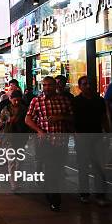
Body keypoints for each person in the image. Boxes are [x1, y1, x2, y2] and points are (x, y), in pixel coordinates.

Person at [25, 76, 74, 211]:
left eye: (50, 85)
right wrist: (39, 130)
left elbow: (71, 117)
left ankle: (51, 193)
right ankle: (54, 199)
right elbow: (28, 119)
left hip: (61, 141)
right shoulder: (37, 101)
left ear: (55, 86)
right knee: (51, 169)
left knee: (58, 169)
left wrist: (61, 117)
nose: (47, 88)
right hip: (46, 142)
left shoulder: (63, 100)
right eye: (45, 85)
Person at [73, 76, 110, 206]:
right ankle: (84, 194)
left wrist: (108, 133)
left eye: (90, 83)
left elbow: (104, 117)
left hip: (97, 136)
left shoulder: (99, 100)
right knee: (83, 166)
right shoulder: (76, 101)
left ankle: (100, 195)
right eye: (84, 84)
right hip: (82, 137)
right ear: (80, 86)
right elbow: (73, 119)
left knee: (99, 166)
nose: (88, 86)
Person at [0, 90, 29, 191]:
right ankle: (14, 184)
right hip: (8, 138)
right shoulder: (5, 110)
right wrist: (8, 121)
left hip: (21, 137)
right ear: (10, 99)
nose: (17, 102)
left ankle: (16, 180)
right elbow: (0, 124)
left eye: (18, 100)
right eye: (15, 100)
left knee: (19, 161)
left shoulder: (24, 109)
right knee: (12, 161)